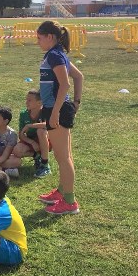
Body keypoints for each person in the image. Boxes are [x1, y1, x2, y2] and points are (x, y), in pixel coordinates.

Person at [36, 21, 84, 215]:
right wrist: (76, 103)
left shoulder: (55, 55)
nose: (37, 42)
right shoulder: (57, 54)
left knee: (63, 158)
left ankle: (70, 202)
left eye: (39, 38)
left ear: (50, 37)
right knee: (64, 156)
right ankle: (62, 191)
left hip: (56, 109)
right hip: (58, 108)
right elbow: (79, 76)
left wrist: (55, 111)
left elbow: (65, 85)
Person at [11, 89, 51, 178]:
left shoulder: (45, 111)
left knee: (41, 131)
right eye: (26, 99)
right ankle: (37, 156)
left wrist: (30, 125)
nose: (26, 102)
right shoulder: (23, 114)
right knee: (17, 151)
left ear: (39, 103)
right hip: (30, 140)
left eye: (29, 100)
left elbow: (49, 124)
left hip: (46, 140)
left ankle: (45, 164)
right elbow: (21, 134)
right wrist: (32, 142)